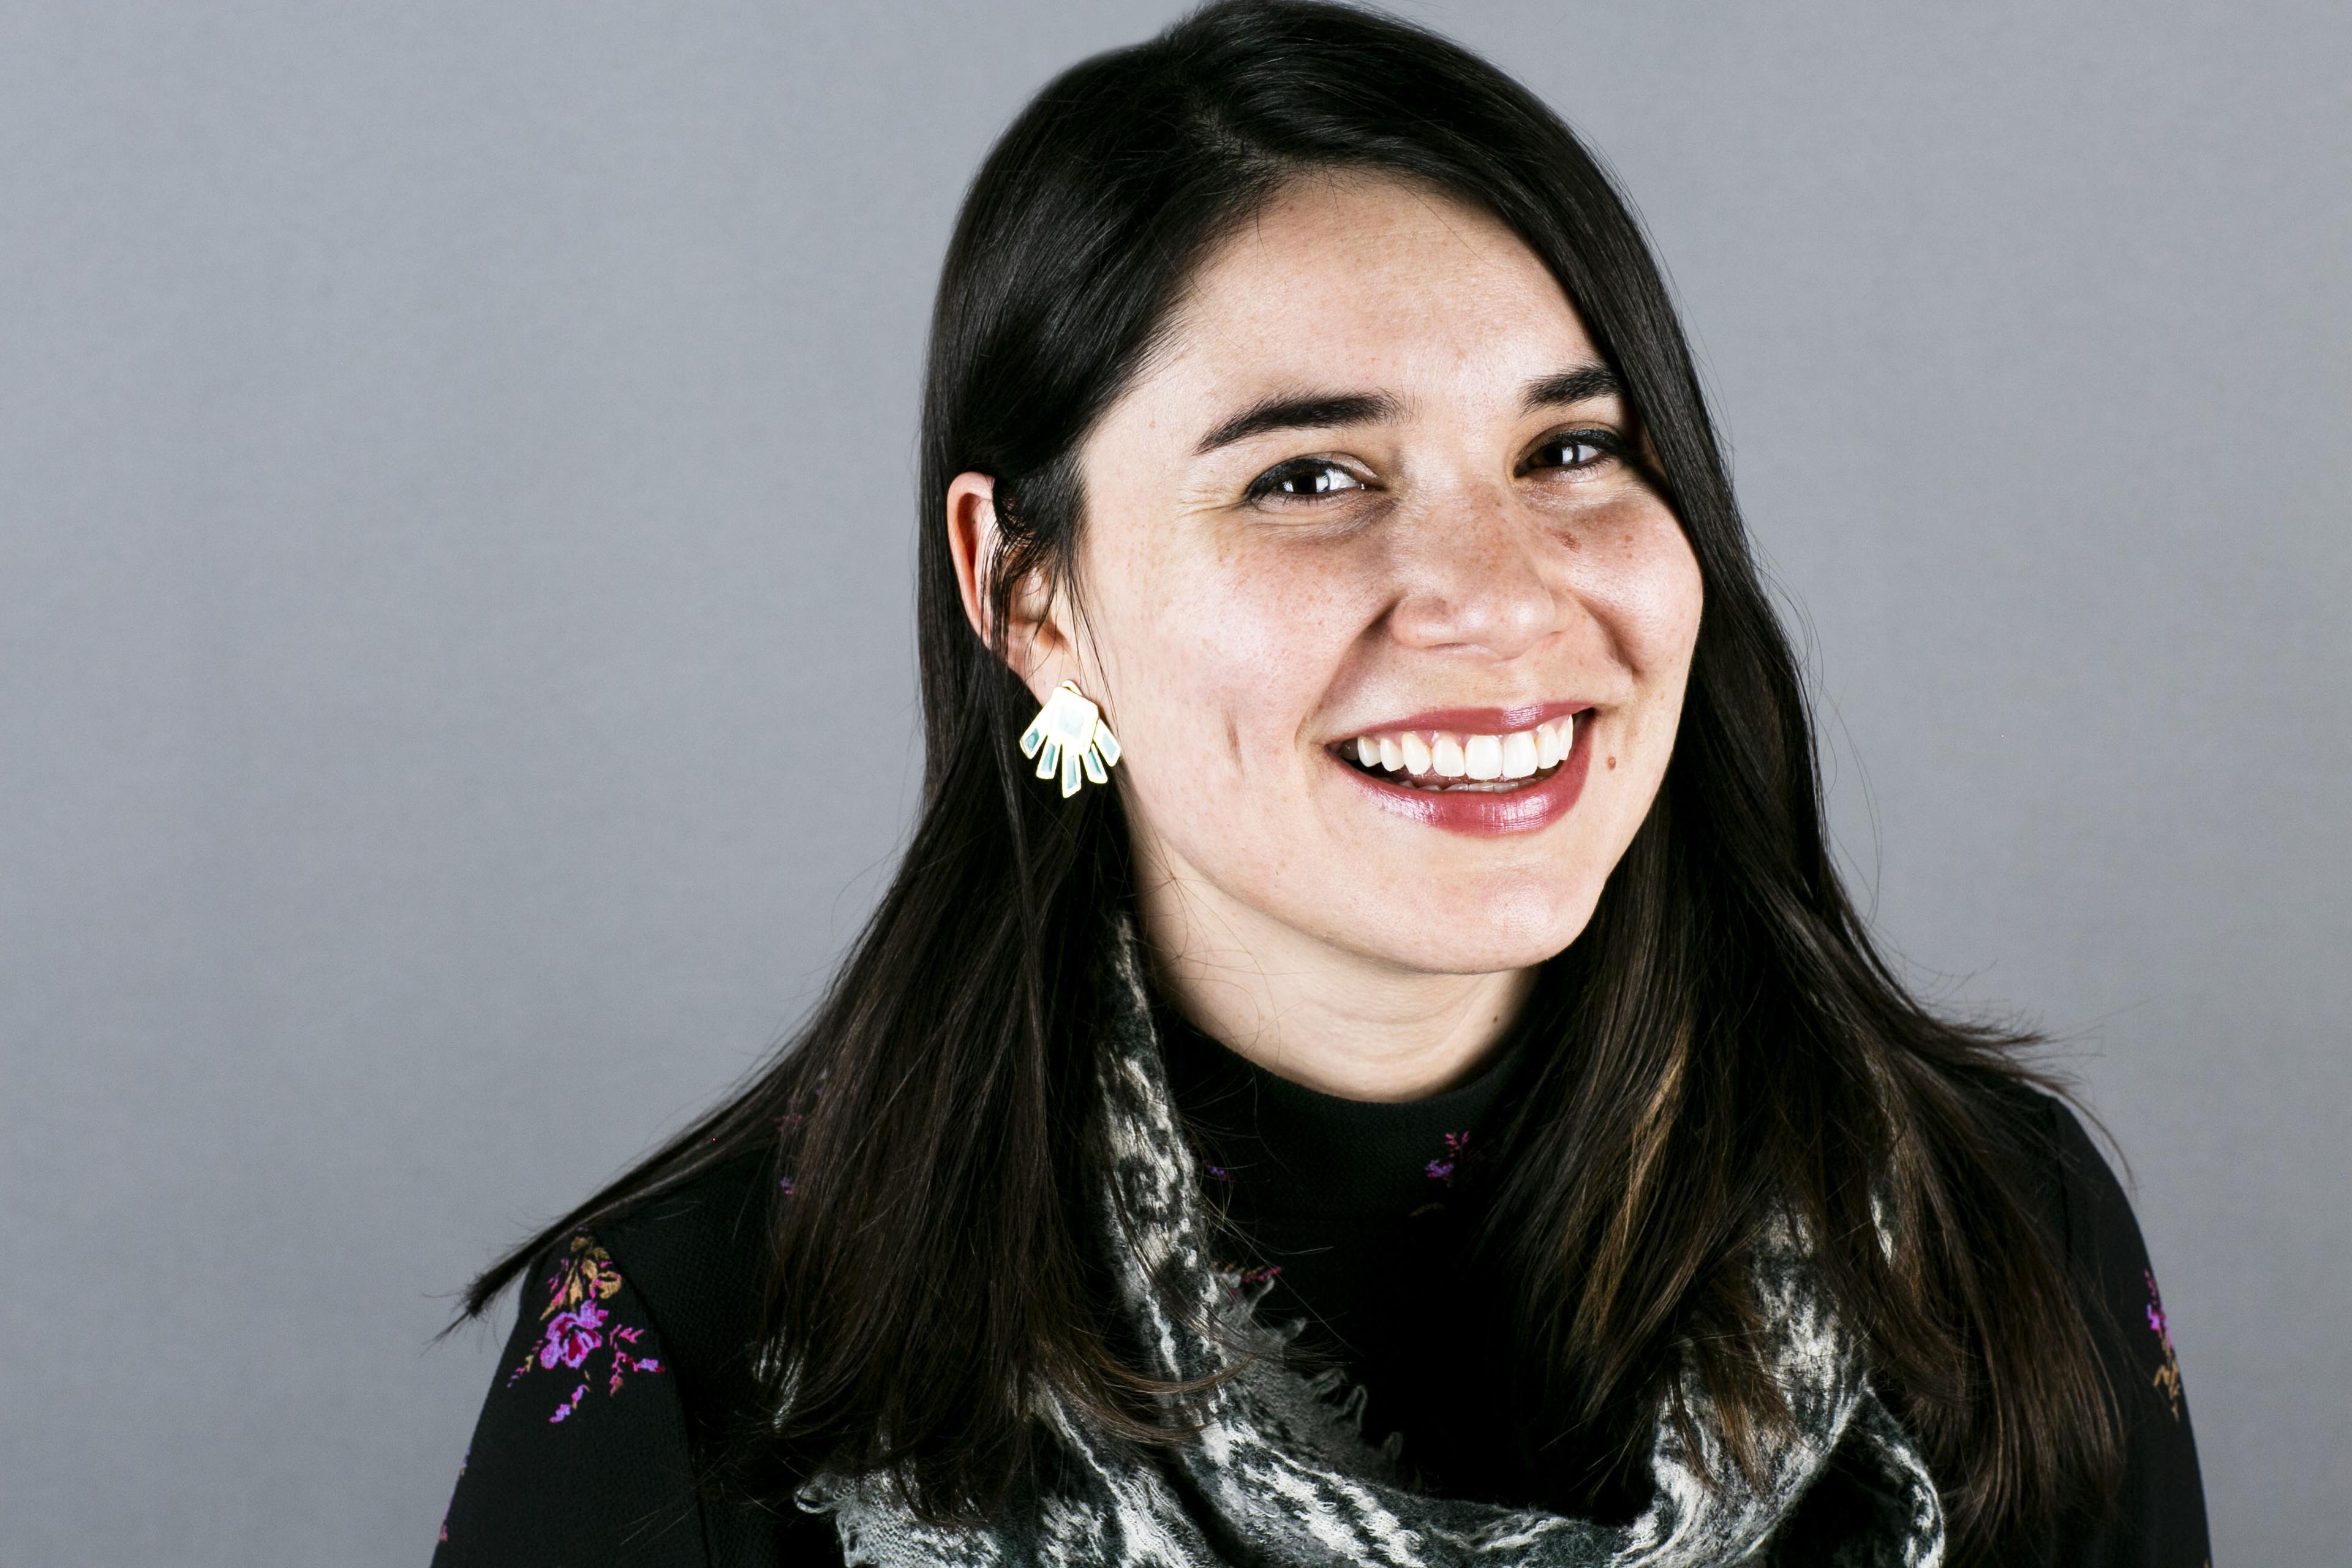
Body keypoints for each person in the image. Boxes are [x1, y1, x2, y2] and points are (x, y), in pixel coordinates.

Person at [431, 4, 2208, 1564]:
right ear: (1028, 594)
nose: (1504, 598)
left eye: (1570, 448)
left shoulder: (1986, 1236)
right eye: (1309, 478)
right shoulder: (710, 1352)